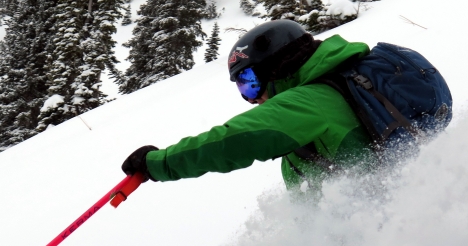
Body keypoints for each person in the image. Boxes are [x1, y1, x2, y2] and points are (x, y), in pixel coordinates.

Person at [121, 20, 416, 190]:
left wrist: (157, 163)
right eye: (241, 87)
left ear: (277, 65)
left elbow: (233, 141)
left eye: (249, 81)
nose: (252, 98)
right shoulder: (333, 90)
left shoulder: (308, 103)